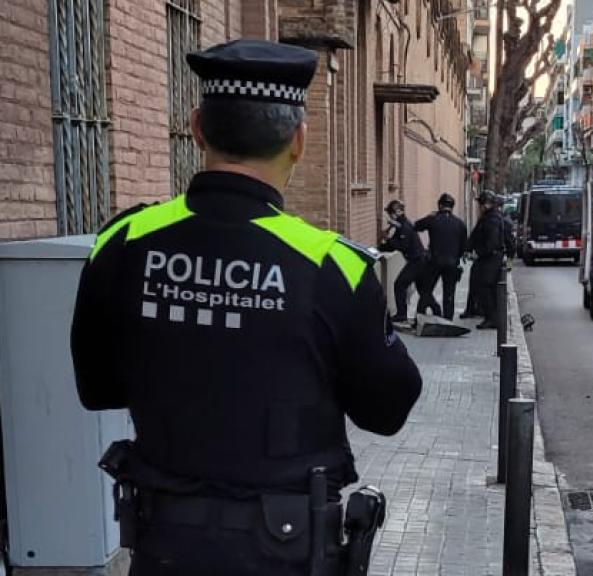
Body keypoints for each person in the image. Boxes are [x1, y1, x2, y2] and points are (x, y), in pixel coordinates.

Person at [70, 39, 422, 576]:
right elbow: (387, 410)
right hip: (286, 550)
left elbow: (97, 389)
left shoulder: (123, 243)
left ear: (197, 128)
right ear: (299, 140)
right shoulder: (333, 267)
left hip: (165, 547)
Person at [380, 199, 438, 324]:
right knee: (423, 291)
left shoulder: (404, 226)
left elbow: (403, 246)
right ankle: (438, 312)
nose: (389, 217)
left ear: (396, 213)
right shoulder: (400, 225)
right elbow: (393, 245)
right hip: (419, 261)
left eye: (390, 213)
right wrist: (382, 246)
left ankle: (401, 315)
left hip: (417, 262)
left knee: (400, 284)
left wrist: (388, 239)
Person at [415, 193, 468, 320]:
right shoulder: (460, 224)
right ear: (452, 207)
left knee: (426, 290)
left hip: (434, 261)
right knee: (449, 293)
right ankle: (448, 320)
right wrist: (456, 257)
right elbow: (464, 246)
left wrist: (429, 215)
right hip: (452, 262)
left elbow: (417, 226)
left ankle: (420, 318)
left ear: (439, 205)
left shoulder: (433, 219)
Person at [467, 190, 505, 330]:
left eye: (481, 204)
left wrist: (479, 253)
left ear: (487, 204)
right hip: (486, 258)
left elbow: (492, 242)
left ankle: (492, 318)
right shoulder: (487, 217)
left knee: (486, 286)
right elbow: (476, 234)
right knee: (480, 285)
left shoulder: (493, 219)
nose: (479, 206)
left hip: (491, 259)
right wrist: (468, 248)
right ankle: (486, 314)